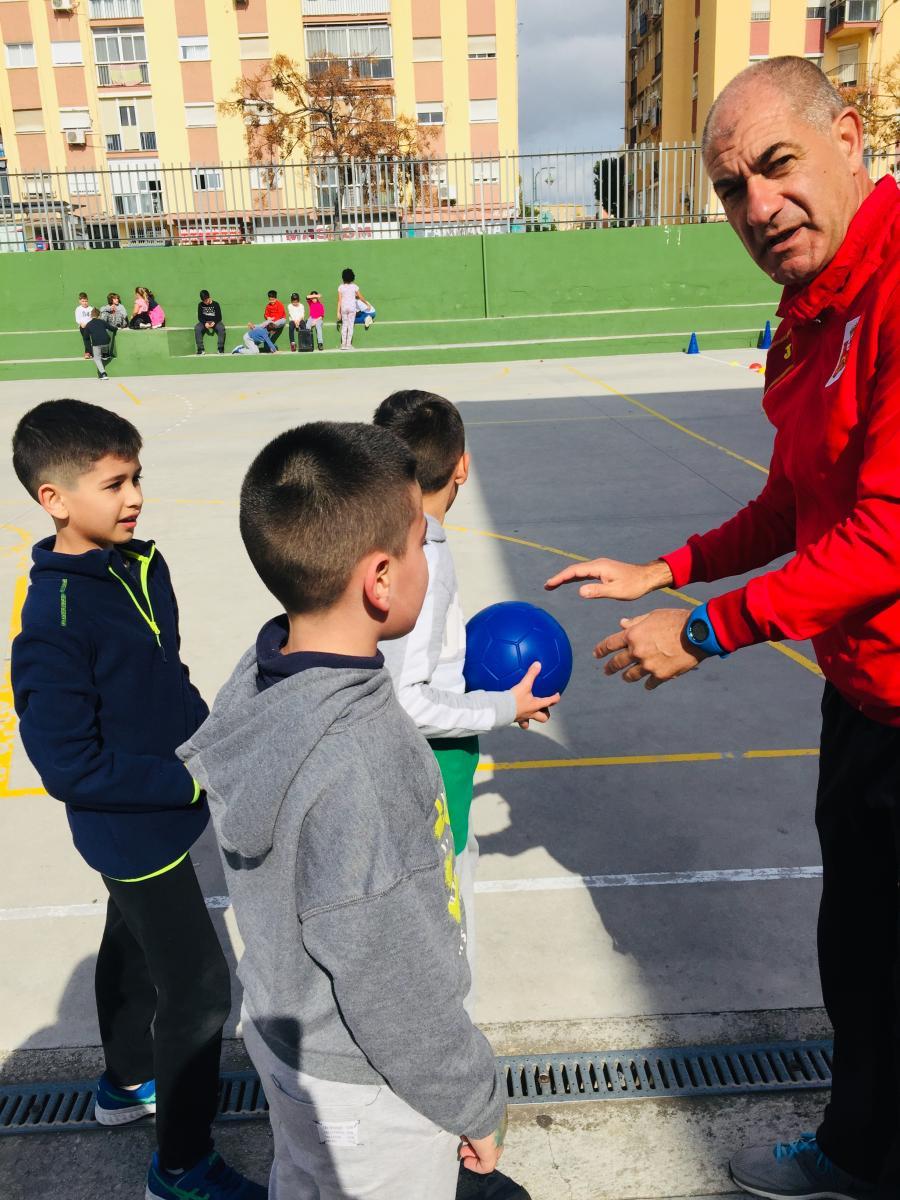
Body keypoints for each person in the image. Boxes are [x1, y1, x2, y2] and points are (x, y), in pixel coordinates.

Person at [545, 56, 900, 1200]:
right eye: (734, 189)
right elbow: (796, 501)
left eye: (777, 165)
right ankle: (858, 1152)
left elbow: (890, 533)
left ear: (850, 137)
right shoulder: (814, 312)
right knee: (862, 959)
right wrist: (668, 567)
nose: (759, 206)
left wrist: (701, 631)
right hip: (864, 701)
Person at [178, 421, 508, 1200]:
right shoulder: (365, 755)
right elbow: (391, 977)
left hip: (288, 1039)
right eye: (423, 542)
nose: (432, 556)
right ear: (381, 579)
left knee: (304, 1178)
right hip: (369, 1087)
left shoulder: (261, 677)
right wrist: (473, 1099)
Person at [10, 400, 264, 1200]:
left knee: (128, 941)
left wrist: (208, 741)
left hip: (165, 808)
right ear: (54, 499)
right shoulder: (52, 620)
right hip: (131, 832)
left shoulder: (138, 565)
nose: (136, 497)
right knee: (200, 991)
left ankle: (123, 1083)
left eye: (137, 477)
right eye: (115, 483)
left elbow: (164, 673)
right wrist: (188, 780)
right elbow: (68, 766)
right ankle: (181, 1168)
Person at [374, 391, 558, 1200]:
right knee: (447, 963)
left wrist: (480, 687)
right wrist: (499, 707)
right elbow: (407, 698)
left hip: (407, 775)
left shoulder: (381, 535)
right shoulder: (425, 552)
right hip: (430, 779)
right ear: (464, 467)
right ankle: (446, 1134)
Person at [336, 268, 372, 350]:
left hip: (344, 308)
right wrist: (367, 304)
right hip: (352, 308)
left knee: (344, 325)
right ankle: (348, 345)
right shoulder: (354, 286)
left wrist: (338, 312)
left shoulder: (340, 287)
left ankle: (343, 345)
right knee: (350, 326)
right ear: (352, 277)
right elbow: (360, 297)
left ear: (343, 277)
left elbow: (339, 300)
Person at [83, 307, 112, 380]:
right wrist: (116, 329)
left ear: (91, 315)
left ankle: (103, 374)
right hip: (106, 342)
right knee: (105, 345)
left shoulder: (88, 324)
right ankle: (105, 355)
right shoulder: (102, 322)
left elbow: (86, 337)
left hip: (96, 344)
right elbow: (111, 328)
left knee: (97, 358)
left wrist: (89, 349)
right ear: (99, 315)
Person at [195, 289, 226, 355]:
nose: (205, 302)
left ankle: (220, 349)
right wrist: (205, 323)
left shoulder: (216, 304)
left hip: (215, 322)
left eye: (206, 300)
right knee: (197, 328)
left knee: (221, 328)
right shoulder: (200, 305)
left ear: (209, 297)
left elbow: (219, 317)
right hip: (205, 322)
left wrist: (214, 322)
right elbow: (200, 317)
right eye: (204, 301)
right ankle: (200, 349)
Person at [75, 292, 92, 359]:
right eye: (83, 301)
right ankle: (88, 353)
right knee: (86, 339)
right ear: (80, 301)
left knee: (90, 339)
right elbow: (77, 318)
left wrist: (89, 324)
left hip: (90, 327)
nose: (85, 303)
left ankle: (89, 352)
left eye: (86, 301)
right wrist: (81, 323)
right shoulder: (78, 309)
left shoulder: (91, 308)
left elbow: (92, 318)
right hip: (83, 327)